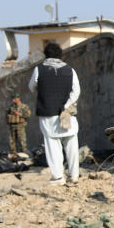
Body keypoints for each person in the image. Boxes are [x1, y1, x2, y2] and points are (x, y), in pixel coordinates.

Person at [29, 42, 81, 184]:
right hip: (67, 114)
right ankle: (74, 175)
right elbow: (76, 90)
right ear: (61, 55)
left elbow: (32, 86)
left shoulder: (39, 69)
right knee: (71, 144)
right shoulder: (70, 70)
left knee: (53, 145)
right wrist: (67, 104)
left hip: (48, 113)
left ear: (46, 55)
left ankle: (58, 177)